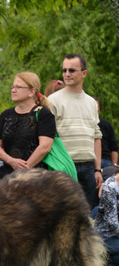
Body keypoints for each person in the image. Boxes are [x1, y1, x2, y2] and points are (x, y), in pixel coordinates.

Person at [48, 54, 102, 209]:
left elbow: (96, 136)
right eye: (64, 70)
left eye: (72, 70)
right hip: (63, 165)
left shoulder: (91, 102)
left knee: (87, 215)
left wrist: (97, 169)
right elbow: (47, 137)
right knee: (62, 215)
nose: (67, 74)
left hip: (88, 167)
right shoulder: (53, 100)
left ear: (84, 73)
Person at [0, 72, 56, 180]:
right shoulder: (6, 115)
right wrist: (11, 161)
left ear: (32, 92)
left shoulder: (43, 114)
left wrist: (23, 170)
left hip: (35, 177)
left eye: (18, 87)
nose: (13, 90)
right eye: (12, 87)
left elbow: (45, 147)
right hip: (6, 175)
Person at [94, 168, 119, 266]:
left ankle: (108, 262)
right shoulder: (110, 187)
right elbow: (111, 220)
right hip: (106, 236)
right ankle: (105, 260)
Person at [94, 98, 118, 169]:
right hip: (89, 160)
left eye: (96, 106)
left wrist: (114, 165)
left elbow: (114, 148)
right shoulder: (83, 124)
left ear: (99, 109)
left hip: (105, 160)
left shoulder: (106, 124)